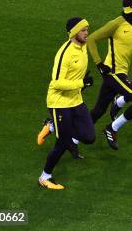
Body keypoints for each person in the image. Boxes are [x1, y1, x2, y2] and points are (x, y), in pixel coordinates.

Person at [87, 0, 132, 150]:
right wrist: (99, 64)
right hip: (113, 73)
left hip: (121, 73)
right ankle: (112, 128)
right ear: (129, 10)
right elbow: (91, 39)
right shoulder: (116, 24)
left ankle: (71, 138)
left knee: (98, 111)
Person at [38, 17, 95, 190]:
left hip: (76, 100)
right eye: (83, 30)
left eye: (87, 29)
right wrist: (81, 84)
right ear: (74, 32)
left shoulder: (83, 47)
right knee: (63, 142)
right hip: (59, 102)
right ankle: (45, 177)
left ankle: (52, 126)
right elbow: (56, 83)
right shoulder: (65, 53)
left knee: (88, 136)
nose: (87, 32)